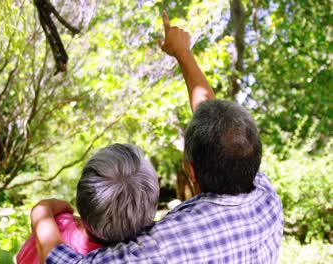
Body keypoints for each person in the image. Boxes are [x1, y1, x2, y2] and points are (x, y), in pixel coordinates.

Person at [29, 11, 284, 263]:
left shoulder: (168, 245)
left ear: (191, 172)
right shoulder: (265, 194)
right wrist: (184, 54)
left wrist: (40, 213)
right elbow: (214, 118)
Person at [17, 143, 159, 263]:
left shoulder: (54, 225)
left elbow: (22, 259)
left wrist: (47, 210)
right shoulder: (138, 253)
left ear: (81, 198)